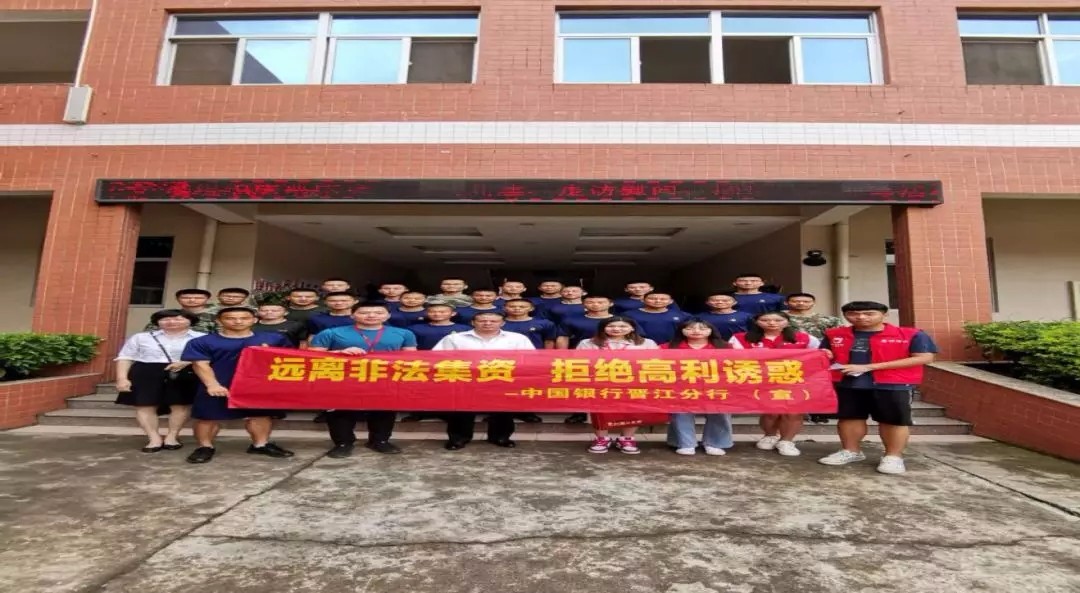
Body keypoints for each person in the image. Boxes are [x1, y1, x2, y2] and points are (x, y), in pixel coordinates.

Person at [818, 301, 938, 475]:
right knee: (849, 418)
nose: (860, 317)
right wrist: (825, 354)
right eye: (853, 314)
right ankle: (851, 451)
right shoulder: (834, 334)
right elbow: (824, 354)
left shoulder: (911, 334)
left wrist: (869, 367)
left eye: (869, 313)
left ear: (884, 315)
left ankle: (893, 457)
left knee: (893, 420)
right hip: (847, 382)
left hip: (893, 383)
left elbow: (925, 357)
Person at [181, 307, 294, 464]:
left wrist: (270, 354)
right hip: (220, 384)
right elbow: (200, 364)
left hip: (257, 385)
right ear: (219, 321)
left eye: (244, 318)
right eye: (230, 318)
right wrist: (212, 385)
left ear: (254, 320)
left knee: (261, 415)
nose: (238, 321)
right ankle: (204, 447)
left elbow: (289, 359)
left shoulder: (274, 338)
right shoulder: (202, 341)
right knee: (207, 417)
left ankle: (260, 444)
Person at [308, 303, 417, 456]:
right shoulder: (331, 332)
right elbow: (311, 356)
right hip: (343, 378)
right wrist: (340, 352)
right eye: (364, 312)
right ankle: (343, 443)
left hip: (384, 378)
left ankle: (380, 441)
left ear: (388, 316)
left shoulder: (404, 333)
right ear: (352, 315)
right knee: (341, 411)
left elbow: (411, 357)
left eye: (378, 312)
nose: (371, 315)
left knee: (384, 410)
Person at [432, 312, 535, 450]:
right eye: (482, 321)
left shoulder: (518, 338)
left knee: (503, 410)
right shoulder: (454, 338)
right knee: (461, 410)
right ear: (473, 322)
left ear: (502, 323)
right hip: (466, 379)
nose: (487, 323)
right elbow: (438, 357)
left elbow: (529, 358)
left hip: (502, 378)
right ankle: (458, 439)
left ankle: (501, 437)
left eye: (493, 321)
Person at [729, 311, 822, 457]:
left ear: (787, 322)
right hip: (761, 381)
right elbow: (732, 358)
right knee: (771, 411)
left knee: (793, 412)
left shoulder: (805, 338)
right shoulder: (740, 338)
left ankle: (787, 441)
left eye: (778, 320)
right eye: (765, 320)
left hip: (795, 380)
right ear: (757, 322)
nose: (772, 323)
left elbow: (818, 356)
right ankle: (770, 435)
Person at [115, 310, 205, 452]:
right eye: (166, 319)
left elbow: (209, 357)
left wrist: (187, 362)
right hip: (146, 372)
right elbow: (125, 357)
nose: (171, 322)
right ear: (157, 322)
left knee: (180, 406)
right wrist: (122, 378)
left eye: (178, 319)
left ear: (190, 321)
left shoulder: (201, 337)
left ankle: (172, 436)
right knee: (144, 405)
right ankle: (154, 438)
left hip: (183, 372)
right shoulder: (141, 337)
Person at [576, 317, 659, 454]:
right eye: (611, 326)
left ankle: (627, 439)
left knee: (632, 411)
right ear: (603, 328)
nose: (616, 329)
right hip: (600, 383)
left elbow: (656, 362)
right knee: (600, 411)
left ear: (632, 328)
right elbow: (579, 362)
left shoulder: (646, 343)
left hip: (634, 383)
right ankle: (601, 439)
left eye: (622, 326)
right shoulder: (588, 343)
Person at [662, 319, 734, 456]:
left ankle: (714, 443)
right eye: (690, 328)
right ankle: (685, 443)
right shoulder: (668, 347)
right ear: (681, 331)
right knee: (680, 414)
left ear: (711, 330)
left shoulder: (726, 347)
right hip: (681, 387)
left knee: (719, 413)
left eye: (702, 328)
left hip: (716, 387)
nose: (696, 331)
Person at [400, 303, 471, 423]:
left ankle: (448, 413)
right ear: (426, 313)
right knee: (422, 389)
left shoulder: (464, 329)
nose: (437, 314)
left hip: (452, 364)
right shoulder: (414, 328)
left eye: (442, 312)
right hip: (422, 363)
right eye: (433, 312)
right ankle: (419, 412)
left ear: (453, 313)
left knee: (449, 389)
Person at [555, 294, 617, 425]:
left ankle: (611, 411)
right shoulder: (571, 320)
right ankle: (579, 413)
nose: (595, 305)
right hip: (581, 358)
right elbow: (563, 337)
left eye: (600, 302)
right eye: (591, 302)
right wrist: (562, 356)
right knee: (582, 386)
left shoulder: (620, 321)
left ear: (610, 303)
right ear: (583, 304)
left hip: (615, 360)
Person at [785, 292, 845, 424]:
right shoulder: (778, 319)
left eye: (806, 301)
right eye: (796, 301)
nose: (801, 303)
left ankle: (817, 412)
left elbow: (838, 337)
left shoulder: (828, 320)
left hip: (818, 356)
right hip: (787, 357)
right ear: (786, 303)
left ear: (813, 303)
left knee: (817, 384)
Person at [146, 288, 216, 333]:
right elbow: (149, 334)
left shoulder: (216, 316)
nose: (192, 300)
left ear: (208, 299)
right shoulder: (166, 315)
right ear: (177, 299)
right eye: (185, 298)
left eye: (198, 298)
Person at [614, 281, 682, 314]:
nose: (638, 289)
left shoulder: (664, 300)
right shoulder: (618, 302)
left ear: (651, 288)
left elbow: (676, 313)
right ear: (626, 289)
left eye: (642, 287)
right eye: (632, 287)